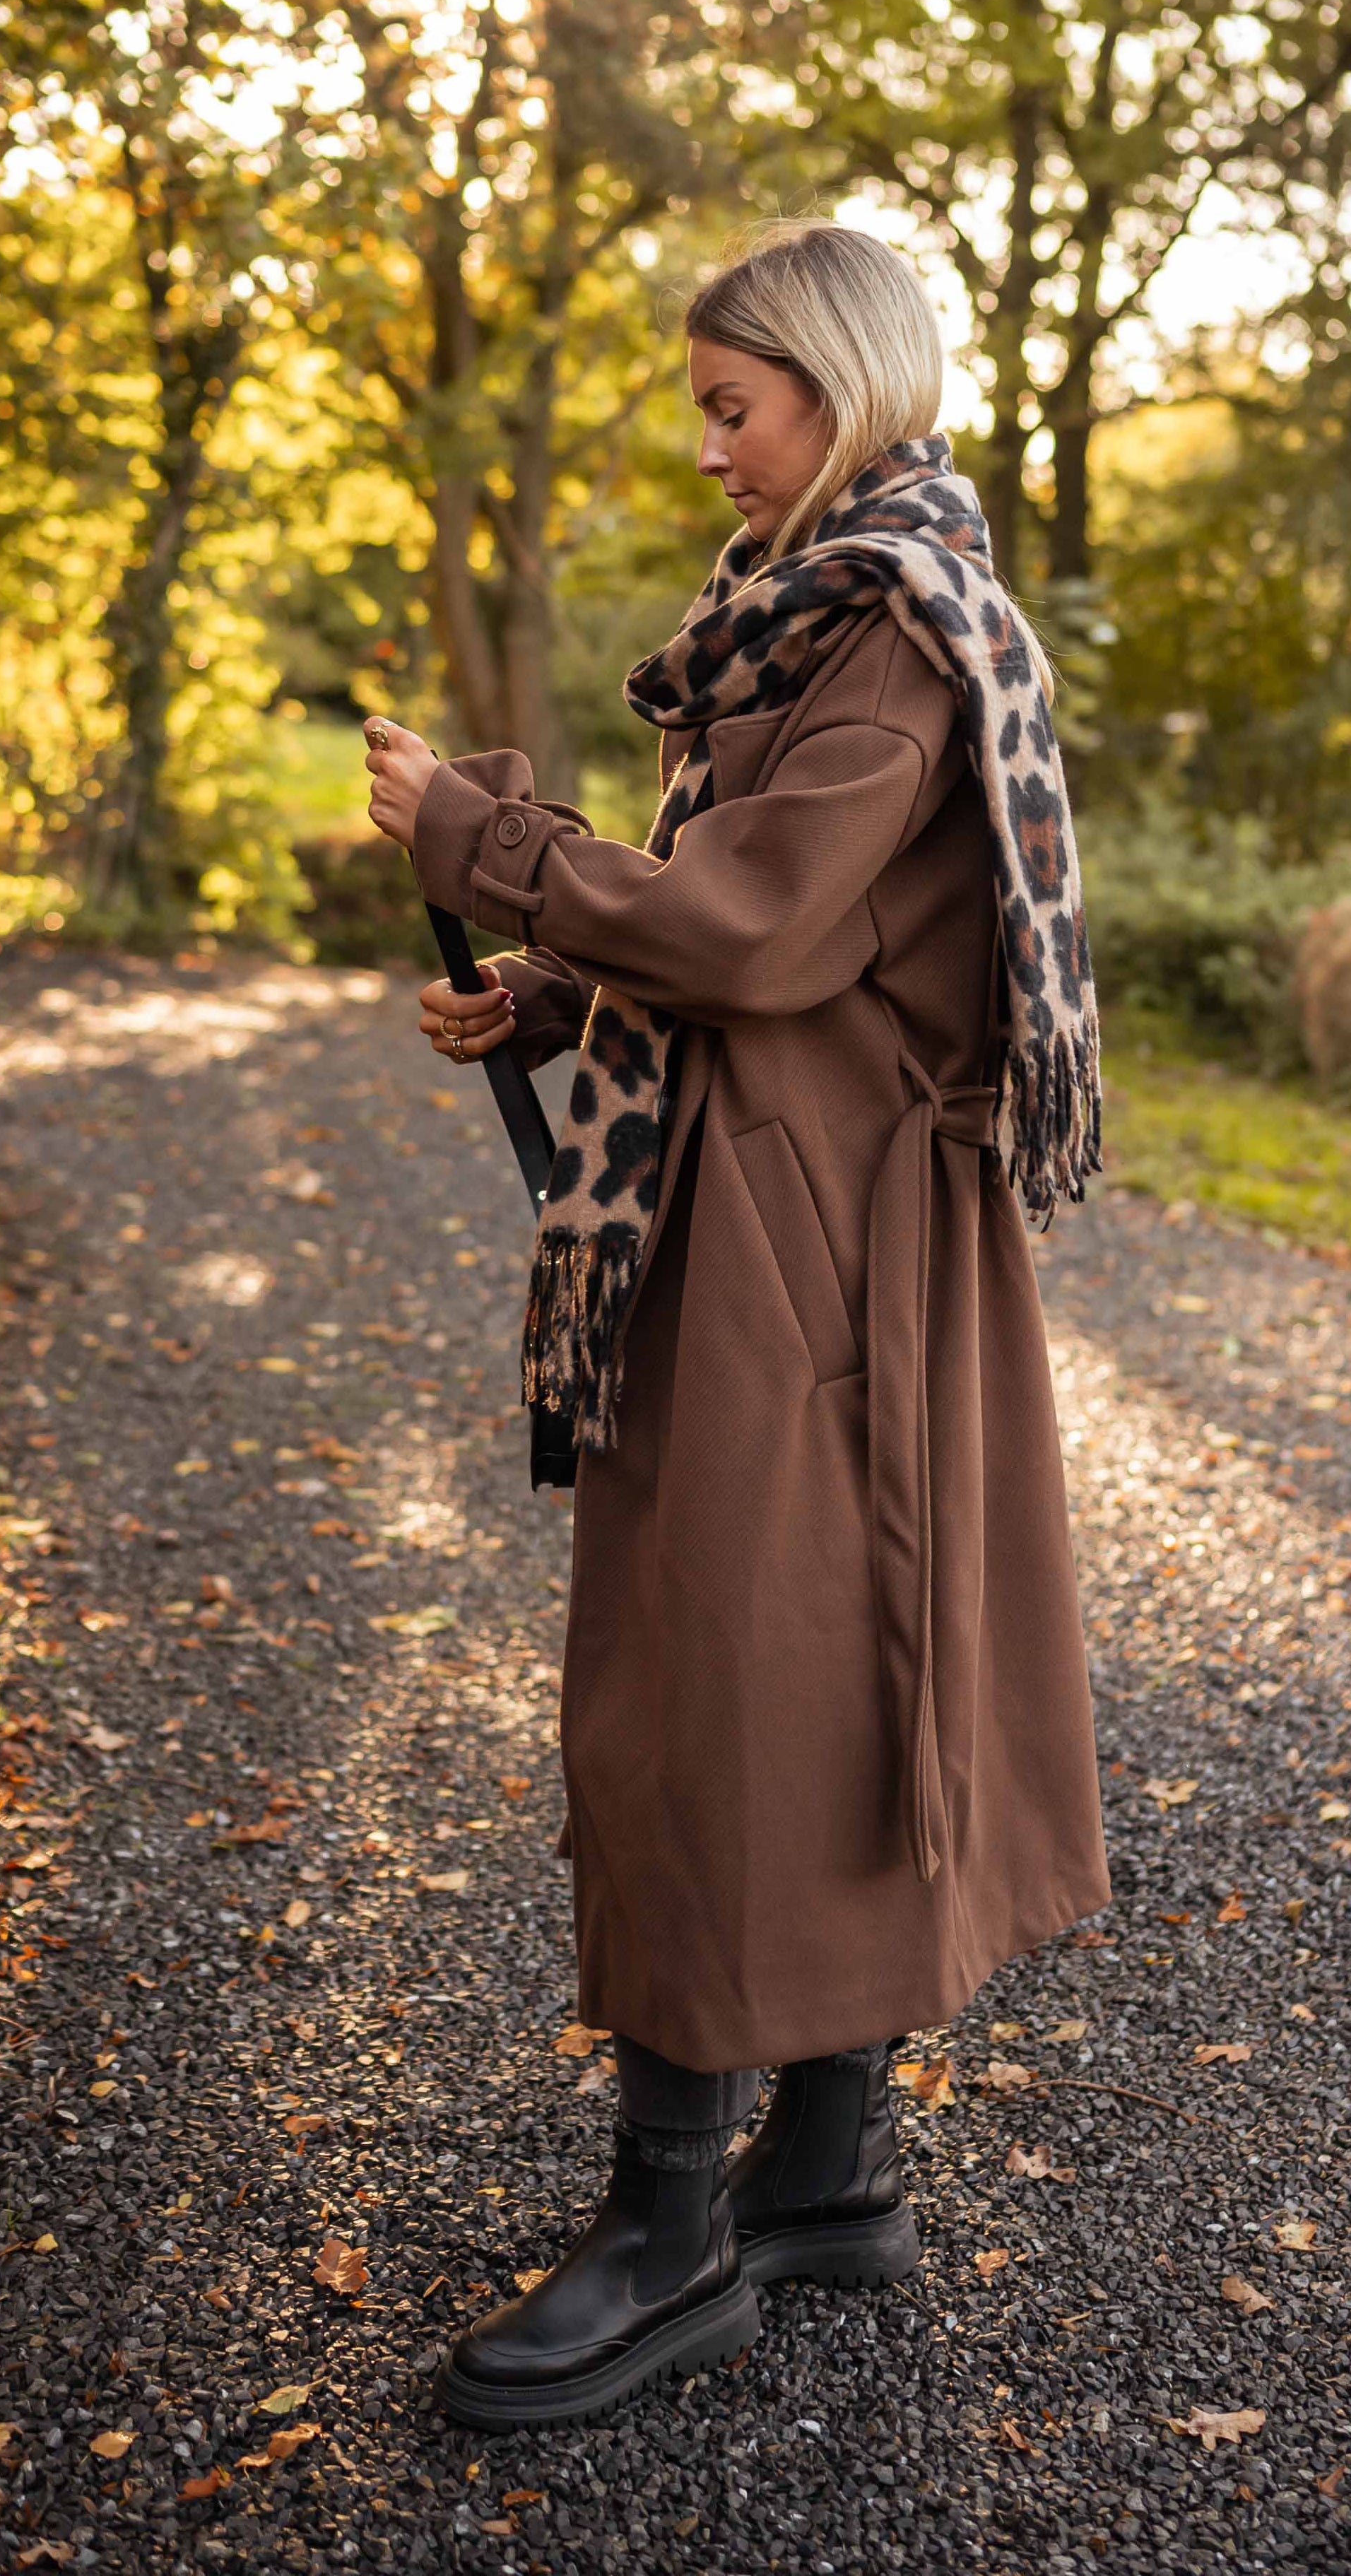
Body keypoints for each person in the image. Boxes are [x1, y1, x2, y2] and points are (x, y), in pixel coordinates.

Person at [364, 218, 1110, 2432]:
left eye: (733, 405)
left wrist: (493, 837)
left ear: (844, 394)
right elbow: (767, 938)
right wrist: (551, 987)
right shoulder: (797, 612)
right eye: (700, 403)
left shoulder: (889, 626)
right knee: (793, 1676)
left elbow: (763, 926)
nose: (708, 446)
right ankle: (822, 2164)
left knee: (714, 1687)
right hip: (786, 1221)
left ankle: (674, 2228)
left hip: (821, 1260)